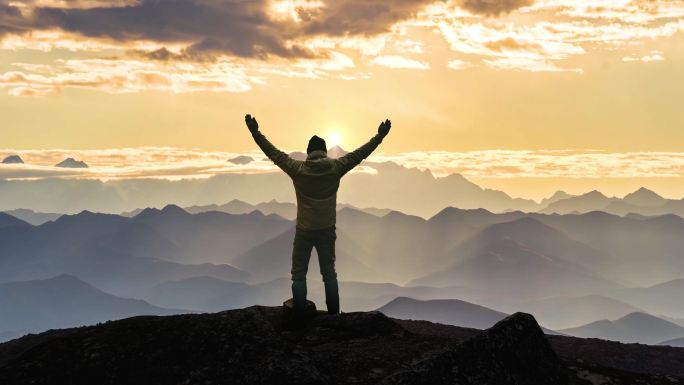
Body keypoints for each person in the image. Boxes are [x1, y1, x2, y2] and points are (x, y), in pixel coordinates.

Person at [245, 114, 391, 314]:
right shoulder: (336, 167)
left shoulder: (297, 169)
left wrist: (255, 132)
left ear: (308, 153)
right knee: (329, 274)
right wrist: (379, 136)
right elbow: (360, 154)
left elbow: (274, 154)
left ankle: (299, 314)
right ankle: (333, 316)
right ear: (324, 152)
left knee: (298, 274)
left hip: (304, 230)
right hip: (326, 230)